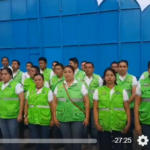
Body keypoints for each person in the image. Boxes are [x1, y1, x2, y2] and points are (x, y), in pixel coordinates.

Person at [53, 65, 90, 150]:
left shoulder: (81, 85)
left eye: (69, 72)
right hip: (63, 117)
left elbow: (87, 102)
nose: (67, 74)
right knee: (67, 142)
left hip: (77, 117)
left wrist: (87, 117)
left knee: (77, 142)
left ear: (73, 73)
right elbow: (54, 102)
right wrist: (55, 117)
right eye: (65, 72)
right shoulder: (58, 86)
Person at [93, 68, 131, 150]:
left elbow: (127, 108)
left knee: (119, 147)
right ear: (104, 78)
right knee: (104, 146)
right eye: (107, 75)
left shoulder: (122, 91)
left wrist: (128, 124)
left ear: (115, 77)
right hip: (104, 124)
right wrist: (96, 123)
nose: (109, 77)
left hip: (119, 124)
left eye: (111, 75)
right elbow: (95, 108)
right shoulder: (98, 91)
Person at [24, 73, 54, 150]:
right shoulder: (30, 91)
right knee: (37, 141)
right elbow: (26, 105)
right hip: (33, 120)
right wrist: (26, 116)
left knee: (45, 141)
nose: (37, 82)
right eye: (36, 80)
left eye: (39, 80)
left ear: (43, 81)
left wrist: (53, 119)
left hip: (44, 120)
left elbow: (52, 107)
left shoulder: (48, 91)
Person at [0, 67, 25, 150]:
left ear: (11, 75)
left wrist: (20, 114)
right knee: (5, 135)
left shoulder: (16, 85)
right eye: (2, 74)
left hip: (13, 115)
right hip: (2, 115)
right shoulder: (0, 85)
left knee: (13, 135)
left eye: (5, 74)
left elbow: (22, 100)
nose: (3, 76)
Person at [116, 60, 137, 150]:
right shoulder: (113, 77)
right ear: (118, 67)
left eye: (124, 66)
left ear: (127, 67)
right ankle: (118, 146)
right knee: (117, 128)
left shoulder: (132, 78)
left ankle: (129, 146)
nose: (122, 68)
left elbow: (134, 93)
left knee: (128, 128)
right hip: (116, 109)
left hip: (129, 108)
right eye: (120, 66)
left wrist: (126, 103)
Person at [83, 62, 103, 150]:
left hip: (95, 107)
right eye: (86, 67)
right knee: (83, 126)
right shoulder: (79, 78)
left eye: (89, 67)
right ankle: (84, 144)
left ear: (93, 69)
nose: (87, 69)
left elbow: (102, 91)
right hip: (83, 107)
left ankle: (95, 144)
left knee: (94, 126)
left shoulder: (98, 78)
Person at [135, 75, 150, 150]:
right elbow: (137, 104)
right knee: (147, 147)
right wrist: (137, 124)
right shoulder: (141, 83)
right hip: (145, 122)